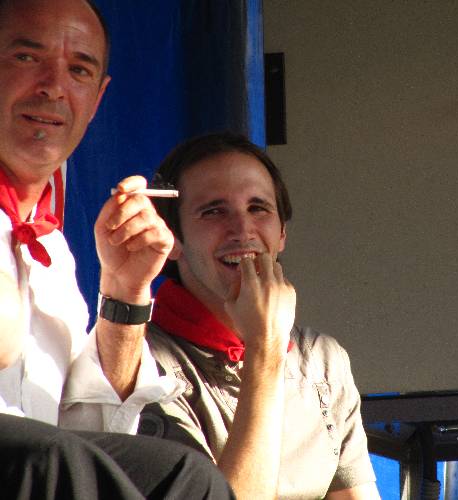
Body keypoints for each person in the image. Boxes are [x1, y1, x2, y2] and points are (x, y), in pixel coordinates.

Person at [0, 0, 233, 497]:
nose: (53, 86)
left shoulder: (50, 250)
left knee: (186, 475)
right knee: (50, 458)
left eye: (78, 70)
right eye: (26, 57)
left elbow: (85, 430)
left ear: (97, 100)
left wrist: (125, 292)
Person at [141, 131, 380, 499]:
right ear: (170, 238)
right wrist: (265, 347)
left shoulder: (321, 358)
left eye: (258, 208)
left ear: (282, 232)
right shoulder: (144, 367)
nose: (242, 230)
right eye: (213, 211)